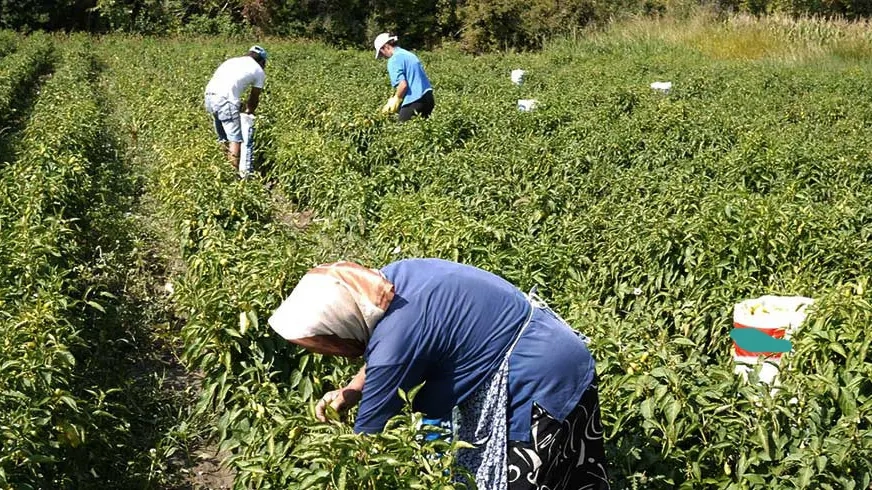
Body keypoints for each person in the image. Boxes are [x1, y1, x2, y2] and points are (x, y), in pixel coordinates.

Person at [268, 259, 609, 490]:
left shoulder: (394, 344)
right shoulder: (385, 284)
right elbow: (395, 342)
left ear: (343, 322)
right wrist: (349, 392)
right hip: (556, 349)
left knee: (524, 474)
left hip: (536, 377)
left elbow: (366, 440)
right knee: (570, 470)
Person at [203, 45, 267, 172]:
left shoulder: (231, 61)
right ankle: (232, 176)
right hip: (225, 100)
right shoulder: (258, 71)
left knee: (223, 138)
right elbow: (254, 98)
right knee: (235, 139)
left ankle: (221, 171)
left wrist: (238, 105)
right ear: (262, 61)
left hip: (209, 97)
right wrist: (249, 111)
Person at [373, 33, 435, 122]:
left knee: (401, 132)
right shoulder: (409, 54)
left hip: (414, 100)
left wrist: (395, 100)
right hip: (428, 98)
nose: (383, 56)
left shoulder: (394, 59)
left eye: (381, 52)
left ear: (386, 46)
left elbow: (403, 85)